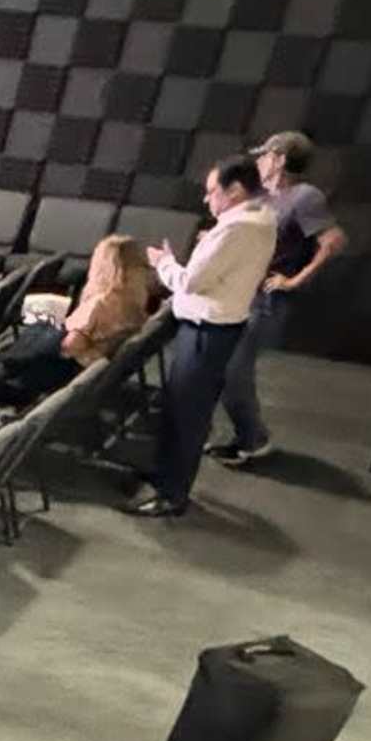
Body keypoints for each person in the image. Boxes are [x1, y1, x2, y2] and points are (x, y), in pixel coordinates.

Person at [126, 159, 279, 519]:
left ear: (235, 190)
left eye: (212, 191)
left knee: (186, 414)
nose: (206, 199)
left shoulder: (236, 227)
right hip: (218, 329)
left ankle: (171, 495)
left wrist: (163, 262)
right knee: (183, 409)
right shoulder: (261, 216)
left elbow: (190, 282)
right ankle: (165, 476)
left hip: (206, 332)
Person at [219, 130, 348, 469]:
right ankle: (246, 437)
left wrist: (293, 281)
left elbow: (334, 241)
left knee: (234, 373)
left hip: (266, 301)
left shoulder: (304, 197)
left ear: (279, 159)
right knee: (227, 372)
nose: (259, 161)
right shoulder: (263, 196)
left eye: (265, 156)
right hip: (242, 293)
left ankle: (254, 440)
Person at [0, 235, 162, 405]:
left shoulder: (98, 305)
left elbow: (70, 347)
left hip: (64, 371)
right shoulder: (137, 303)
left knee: (39, 330)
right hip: (95, 370)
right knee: (46, 324)